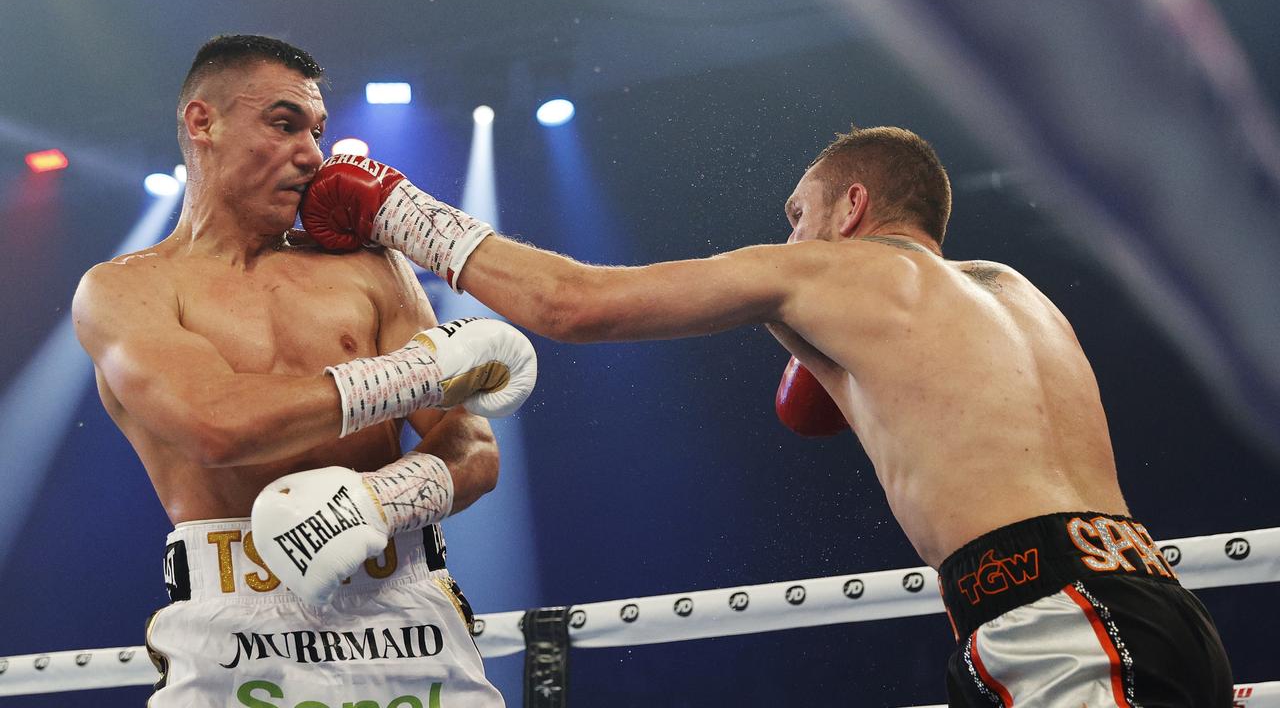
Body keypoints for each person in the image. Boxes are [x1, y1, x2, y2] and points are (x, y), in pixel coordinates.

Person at [300, 126, 1234, 705]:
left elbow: (573, 305)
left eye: (799, 213)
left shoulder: (831, 268)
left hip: (1056, 621)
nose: (789, 236)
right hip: (1143, 605)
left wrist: (399, 209)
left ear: (851, 205)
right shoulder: (1013, 293)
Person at [71, 35, 536, 708]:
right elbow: (217, 426)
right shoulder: (126, 291)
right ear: (204, 122)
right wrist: (419, 370)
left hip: (405, 613)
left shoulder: (369, 268)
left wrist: (379, 502)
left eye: (317, 132)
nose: (312, 154)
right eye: (284, 124)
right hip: (235, 631)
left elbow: (473, 448)